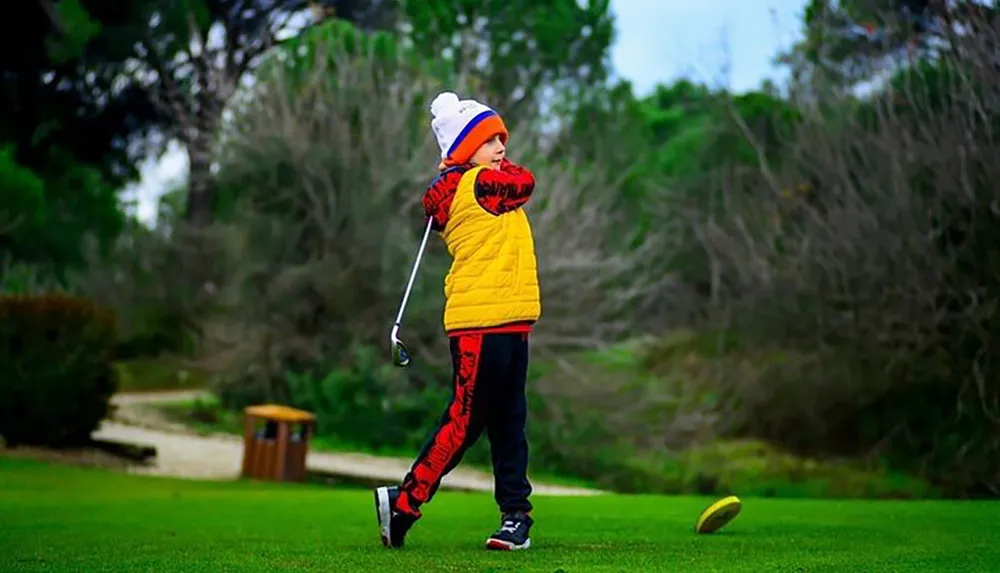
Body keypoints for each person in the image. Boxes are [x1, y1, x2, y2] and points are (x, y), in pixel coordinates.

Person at [374, 91, 541, 551]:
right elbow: (526, 182)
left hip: (510, 321)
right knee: (465, 422)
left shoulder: (474, 183)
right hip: (480, 322)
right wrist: (481, 167)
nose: (501, 147)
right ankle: (405, 503)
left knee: (509, 422)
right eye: (489, 141)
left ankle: (514, 519)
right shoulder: (483, 186)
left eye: (501, 138)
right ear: (466, 151)